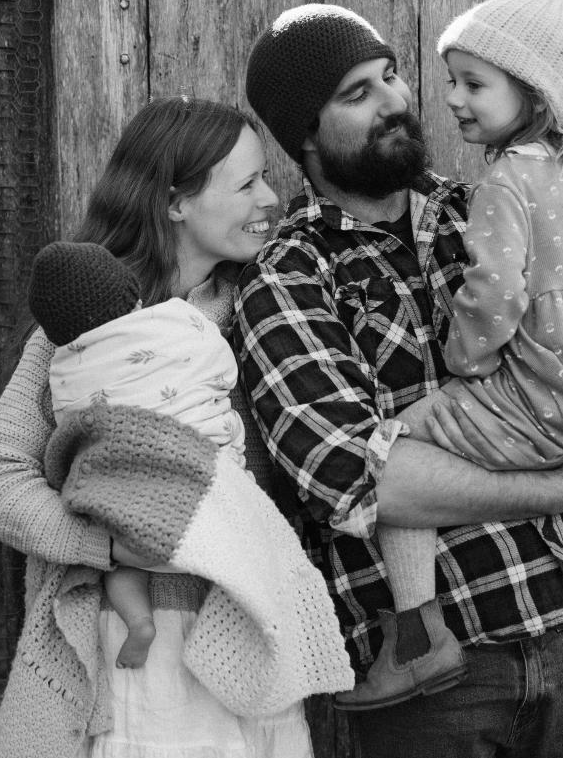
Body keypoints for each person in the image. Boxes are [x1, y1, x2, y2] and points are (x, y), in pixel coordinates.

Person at [238, 1, 563, 758]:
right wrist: (558, 484)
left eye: (390, 76)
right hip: (437, 688)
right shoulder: (289, 274)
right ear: (304, 135)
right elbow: (358, 476)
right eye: (357, 93)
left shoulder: (487, 206)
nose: (394, 99)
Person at [0, 97, 349, 758]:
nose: (271, 197)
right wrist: (113, 548)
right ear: (175, 203)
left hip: (251, 640)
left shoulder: (271, 308)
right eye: (248, 182)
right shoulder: (87, 336)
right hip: (142, 658)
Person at [336, 0, 563, 710]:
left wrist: (466, 363)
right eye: (453, 80)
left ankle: (417, 636)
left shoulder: (504, 184)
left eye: (474, 85)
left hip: (540, 400)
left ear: (534, 93)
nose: (452, 98)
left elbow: (493, 295)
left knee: (388, 449)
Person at [25, 238, 350, 686]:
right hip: (203, 503)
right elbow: (221, 371)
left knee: (122, 570)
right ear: (134, 298)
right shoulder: (178, 322)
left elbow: (70, 425)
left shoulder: (62, 367)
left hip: (128, 521)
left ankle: (139, 622)